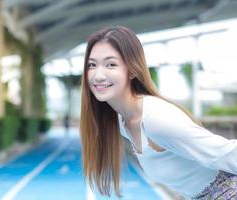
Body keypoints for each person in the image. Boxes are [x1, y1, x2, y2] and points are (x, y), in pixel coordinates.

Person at [80, 26, 237, 199]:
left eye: (111, 65)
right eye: (92, 65)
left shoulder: (156, 119)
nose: (98, 75)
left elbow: (226, 153)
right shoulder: (122, 122)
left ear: (132, 70)